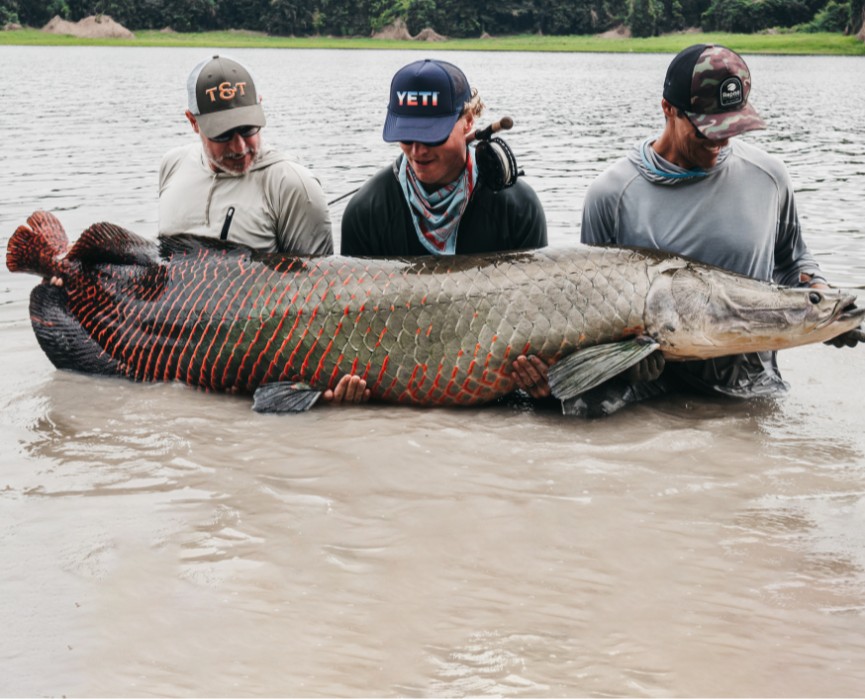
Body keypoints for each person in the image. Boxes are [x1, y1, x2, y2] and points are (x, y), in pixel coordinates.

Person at [572, 43, 861, 416]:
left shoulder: (770, 177)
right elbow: (592, 310)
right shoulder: (610, 194)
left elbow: (793, 260)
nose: (721, 140)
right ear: (668, 109)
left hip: (752, 384)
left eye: (732, 126)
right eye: (708, 128)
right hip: (651, 389)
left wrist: (820, 303)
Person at [159, 55, 364, 404]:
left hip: (253, 374)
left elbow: (323, 313)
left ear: (260, 109)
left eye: (248, 129)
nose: (240, 147)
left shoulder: (294, 186)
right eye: (223, 134)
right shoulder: (172, 166)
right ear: (193, 122)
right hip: (177, 361)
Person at [340, 58, 549, 400]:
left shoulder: (518, 207)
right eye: (406, 137)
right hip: (394, 387)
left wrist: (543, 384)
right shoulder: (365, 211)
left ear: (469, 121)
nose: (417, 151)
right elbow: (353, 328)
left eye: (430, 136)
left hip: (493, 388)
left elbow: (534, 318)